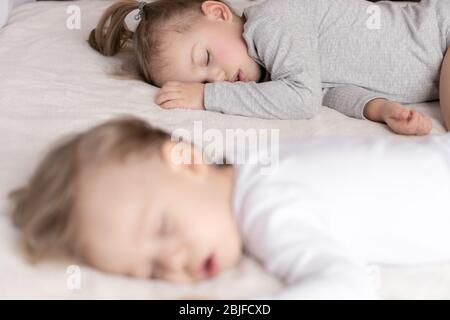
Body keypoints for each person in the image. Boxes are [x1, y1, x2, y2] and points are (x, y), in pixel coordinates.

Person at [9, 117, 450, 299]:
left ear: (190, 161)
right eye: (151, 271)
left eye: (163, 229)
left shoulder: (265, 209)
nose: (174, 263)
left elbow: (345, 284)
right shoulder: (253, 162)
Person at [89, 0, 450, 135]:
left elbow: (304, 101)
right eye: (201, 79)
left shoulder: (272, 22)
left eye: (206, 59)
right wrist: (382, 109)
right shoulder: (279, 74)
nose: (217, 79)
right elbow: (330, 92)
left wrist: (206, 97)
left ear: (218, 12)